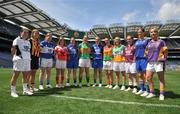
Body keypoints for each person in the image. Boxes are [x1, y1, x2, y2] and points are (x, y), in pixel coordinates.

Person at [145, 28, 168, 100]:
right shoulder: (149, 42)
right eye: (151, 32)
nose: (153, 33)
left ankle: (161, 94)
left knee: (161, 79)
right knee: (148, 78)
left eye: (154, 32)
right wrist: (146, 55)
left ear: (157, 33)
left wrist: (164, 58)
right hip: (150, 62)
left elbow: (165, 51)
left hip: (159, 63)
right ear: (150, 34)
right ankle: (152, 92)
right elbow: (146, 50)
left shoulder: (161, 42)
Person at [10, 28, 33, 97]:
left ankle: (25, 90)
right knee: (15, 76)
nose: (26, 34)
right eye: (24, 32)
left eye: (27, 33)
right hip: (19, 60)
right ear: (21, 32)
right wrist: (16, 57)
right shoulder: (17, 40)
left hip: (27, 60)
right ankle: (13, 91)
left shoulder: (28, 42)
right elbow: (13, 50)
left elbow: (27, 51)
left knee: (25, 76)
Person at [135, 28, 150, 96]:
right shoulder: (137, 41)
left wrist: (146, 54)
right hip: (137, 59)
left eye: (140, 32)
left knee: (145, 75)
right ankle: (142, 89)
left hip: (144, 59)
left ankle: (147, 90)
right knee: (140, 75)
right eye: (138, 32)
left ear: (144, 33)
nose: (139, 33)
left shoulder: (147, 40)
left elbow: (149, 49)